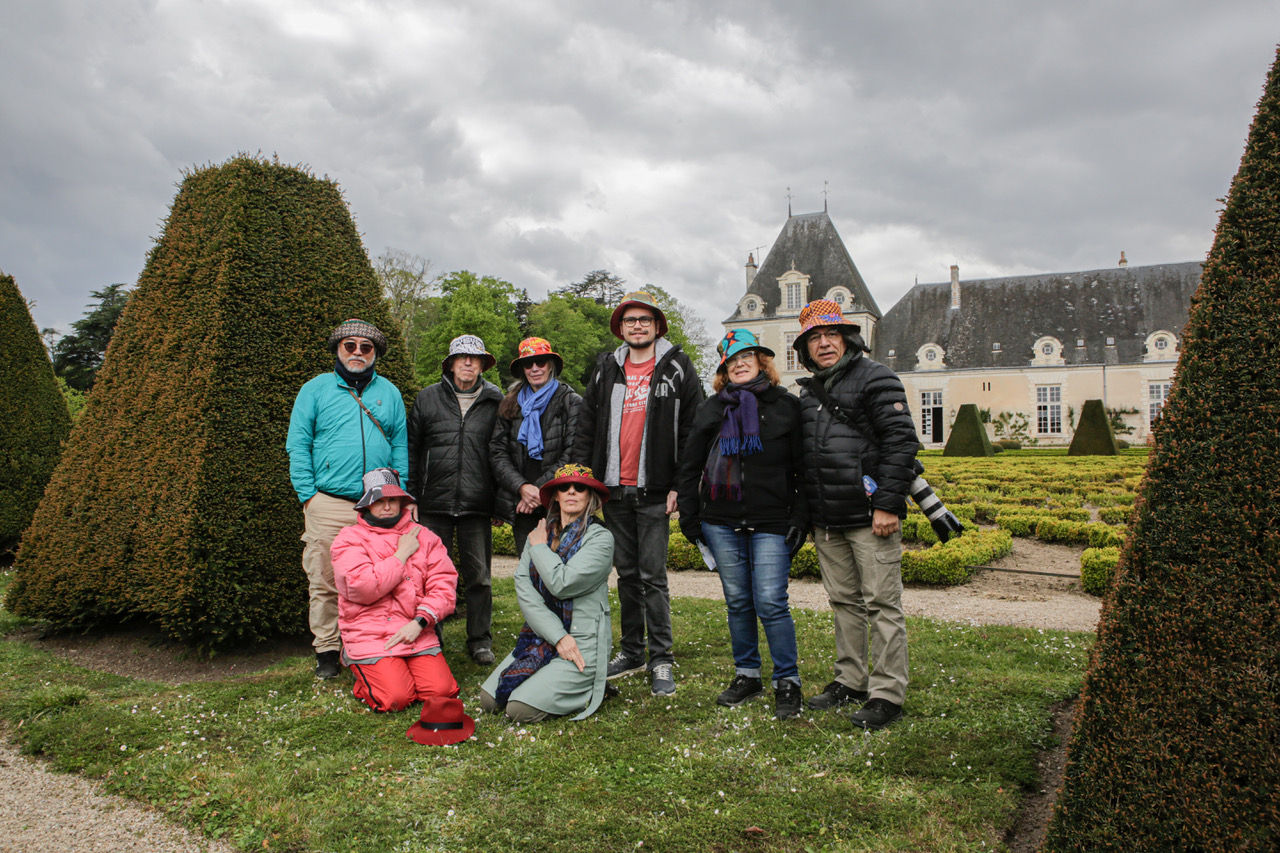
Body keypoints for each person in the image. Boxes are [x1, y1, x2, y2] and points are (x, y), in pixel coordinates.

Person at [793, 299, 920, 730]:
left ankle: (887, 693)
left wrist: (887, 504)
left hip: (870, 516)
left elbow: (901, 443)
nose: (824, 343)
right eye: (814, 338)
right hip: (828, 520)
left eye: (832, 334)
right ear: (805, 349)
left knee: (882, 604)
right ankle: (850, 679)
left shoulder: (876, 377)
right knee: (844, 602)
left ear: (848, 339)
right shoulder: (809, 392)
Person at [573, 291, 703, 696]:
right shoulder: (606, 369)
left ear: (657, 325)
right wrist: (585, 483)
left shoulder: (678, 367)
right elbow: (586, 427)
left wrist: (680, 485)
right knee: (626, 575)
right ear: (621, 327)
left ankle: (661, 657)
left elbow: (694, 431)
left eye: (645, 319)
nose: (638, 326)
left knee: (653, 577)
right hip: (613, 490)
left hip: (654, 490)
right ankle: (632, 651)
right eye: (630, 320)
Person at [676, 329, 808, 719]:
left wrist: (800, 516)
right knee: (737, 601)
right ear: (723, 369)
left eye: (746, 356)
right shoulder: (712, 408)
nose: (739, 364)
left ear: (762, 362)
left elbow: (803, 468)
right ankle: (747, 674)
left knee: (770, 601)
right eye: (732, 360)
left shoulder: (786, 406)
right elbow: (690, 466)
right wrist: (690, 517)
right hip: (720, 520)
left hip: (772, 519)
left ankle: (787, 680)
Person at [287, 319, 408, 680]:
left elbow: (399, 445)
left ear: (375, 353)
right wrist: (308, 496)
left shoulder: (390, 392)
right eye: (350, 345)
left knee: (380, 579)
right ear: (338, 349)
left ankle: (369, 645)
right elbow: (298, 444)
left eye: (365, 347)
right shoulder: (315, 389)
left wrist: (400, 492)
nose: (357, 352)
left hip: (378, 505)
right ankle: (327, 649)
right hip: (328, 501)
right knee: (324, 578)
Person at [479, 464, 615, 722]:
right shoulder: (540, 534)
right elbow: (525, 589)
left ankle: (591, 685)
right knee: (490, 701)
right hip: (543, 638)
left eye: (580, 487)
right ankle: (547, 680)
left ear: (590, 497)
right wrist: (557, 636)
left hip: (580, 643)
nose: (572, 492)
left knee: (519, 709)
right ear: (556, 496)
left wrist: (540, 549)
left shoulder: (601, 539)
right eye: (564, 487)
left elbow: (563, 583)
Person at [407, 334, 504, 665]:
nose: (468, 362)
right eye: (461, 357)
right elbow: (412, 449)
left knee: (480, 578)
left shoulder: (496, 400)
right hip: (433, 503)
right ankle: (431, 638)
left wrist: (499, 502)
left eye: (474, 358)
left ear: (482, 365)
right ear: (450, 364)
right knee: (431, 577)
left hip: (477, 503)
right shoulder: (427, 398)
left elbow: (502, 452)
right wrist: (411, 495)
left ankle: (480, 640)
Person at [330, 469, 459, 712]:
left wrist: (420, 622)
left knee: (441, 693)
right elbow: (362, 587)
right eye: (379, 501)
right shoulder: (348, 539)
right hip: (369, 633)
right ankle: (362, 669)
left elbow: (444, 584)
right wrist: (401, 555)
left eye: (392, 499)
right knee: (395, 699)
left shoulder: (426, 536)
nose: (387, 507)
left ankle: (396, 670)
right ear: (367, 504)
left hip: (415, 631)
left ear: (401, 501)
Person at [490, 337, 583, 556]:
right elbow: (497, 451)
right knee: (528, 566)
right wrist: (522, 487)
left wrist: (539, 491)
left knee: (562, 566)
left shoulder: (571, 402)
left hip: (559, 502)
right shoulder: (509, 403)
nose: (534, 368)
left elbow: (573, 453)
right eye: (528, 364)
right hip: (522, 503)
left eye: (540, 362)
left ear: (551, 365)